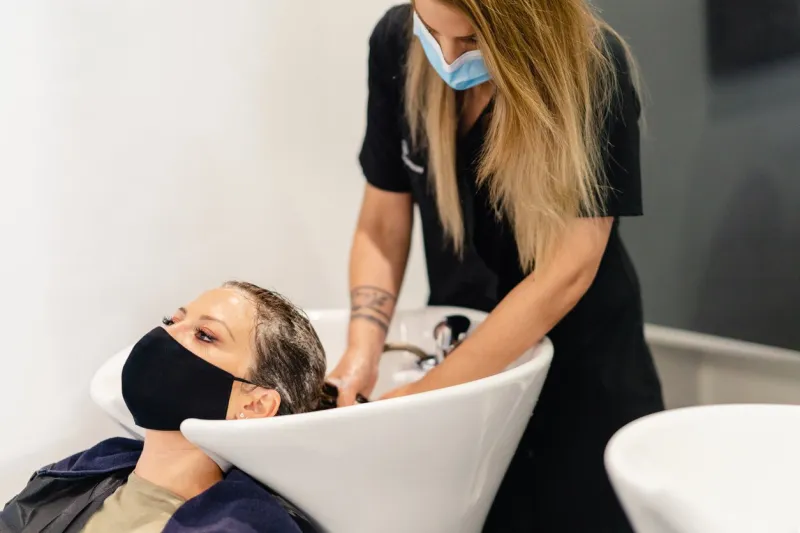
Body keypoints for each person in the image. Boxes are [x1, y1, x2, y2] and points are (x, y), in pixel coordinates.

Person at [327, 1, 665, 531]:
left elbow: (567, 271)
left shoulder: (593, 70)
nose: (445, 55)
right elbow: (381, 225)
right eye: (432, 31)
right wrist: (361, 351)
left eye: (470, 42)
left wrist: (430, 392)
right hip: (469, 379)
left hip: (581, 379)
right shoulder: (396, 44)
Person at [1, 281, 326, 533]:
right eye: (171, 320)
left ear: (255, 403)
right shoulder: (85, 470)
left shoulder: (240, 525)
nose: (164, 335)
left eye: (204, 335)